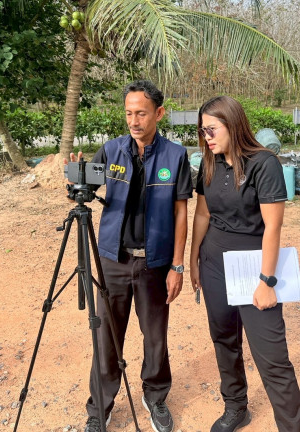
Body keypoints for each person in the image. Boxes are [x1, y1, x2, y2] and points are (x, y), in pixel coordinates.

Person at [67, 80, 193, 432]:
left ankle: (155, 397)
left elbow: (181, 212)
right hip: (114, 260)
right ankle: (99, 408)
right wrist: (75, 182)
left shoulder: (175, 156)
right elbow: (84, 191)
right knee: (106, 336)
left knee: (155, 336)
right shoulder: (111, 150)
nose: (134, 121)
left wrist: (177, 265)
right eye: (128, 113)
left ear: (159, 113)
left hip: (155, 263)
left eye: (141, 113)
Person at [190, 96, 300, 432]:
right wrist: (193, 259)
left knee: (272, 357)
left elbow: (273, 227)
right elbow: (203, 213)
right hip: (214, 263)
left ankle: (289, 427)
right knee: (224, 340)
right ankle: (236, 407)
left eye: (212, 129)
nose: (206, 137)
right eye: (202, 131)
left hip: (255, 269)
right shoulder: (209, 162)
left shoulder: (263, 163)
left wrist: (267, 281)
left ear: (232, 124)